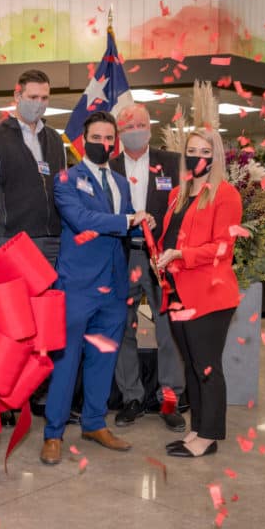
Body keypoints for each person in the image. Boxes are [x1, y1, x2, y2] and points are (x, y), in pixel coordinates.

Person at [40, 111, 154, 466]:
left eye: (109, 138)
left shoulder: (120, 183)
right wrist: (126, 220)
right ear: (83, 141)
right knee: (66, 360)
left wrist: (143, 224)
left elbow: (127, 227)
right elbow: (82, 220)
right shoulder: (66, 179)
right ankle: (54, 433)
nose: (104, 144)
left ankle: (93, 423)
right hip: (77, 285)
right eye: (97, 138)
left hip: (115, 284)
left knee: (103, 358)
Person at [156, 128, 242, 458]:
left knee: (207, 366)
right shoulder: (177, 193)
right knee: (191, 365)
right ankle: (197, 428)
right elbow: (172, 236)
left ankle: (209, 435)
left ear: (215, 156)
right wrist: (161, 255)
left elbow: (223, 247)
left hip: (209, 294)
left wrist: (182, 255)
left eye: (204, 151)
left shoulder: (226, 194)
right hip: (177, 290)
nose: (197, 157)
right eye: (191, 150)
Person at [109, 103, 187, 432]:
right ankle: (131, 397)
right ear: (118, 133)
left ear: (150, 126)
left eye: (141, 124)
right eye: (128, 126)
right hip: (122, 255)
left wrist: (170, 247)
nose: (136, 130)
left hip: (161, 258)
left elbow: (183, 209)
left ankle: (169, 399)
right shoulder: (108, 167)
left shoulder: (171, 163)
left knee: (167, 329)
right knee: (121, 329)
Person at [0, 69, 67, 264]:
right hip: (12, 240)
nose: (39, 103)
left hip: (53, 242)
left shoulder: (55, 139)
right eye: (33, 97)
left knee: (52, 295)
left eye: (44, 98)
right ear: (17, 96)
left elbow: (62, 190)